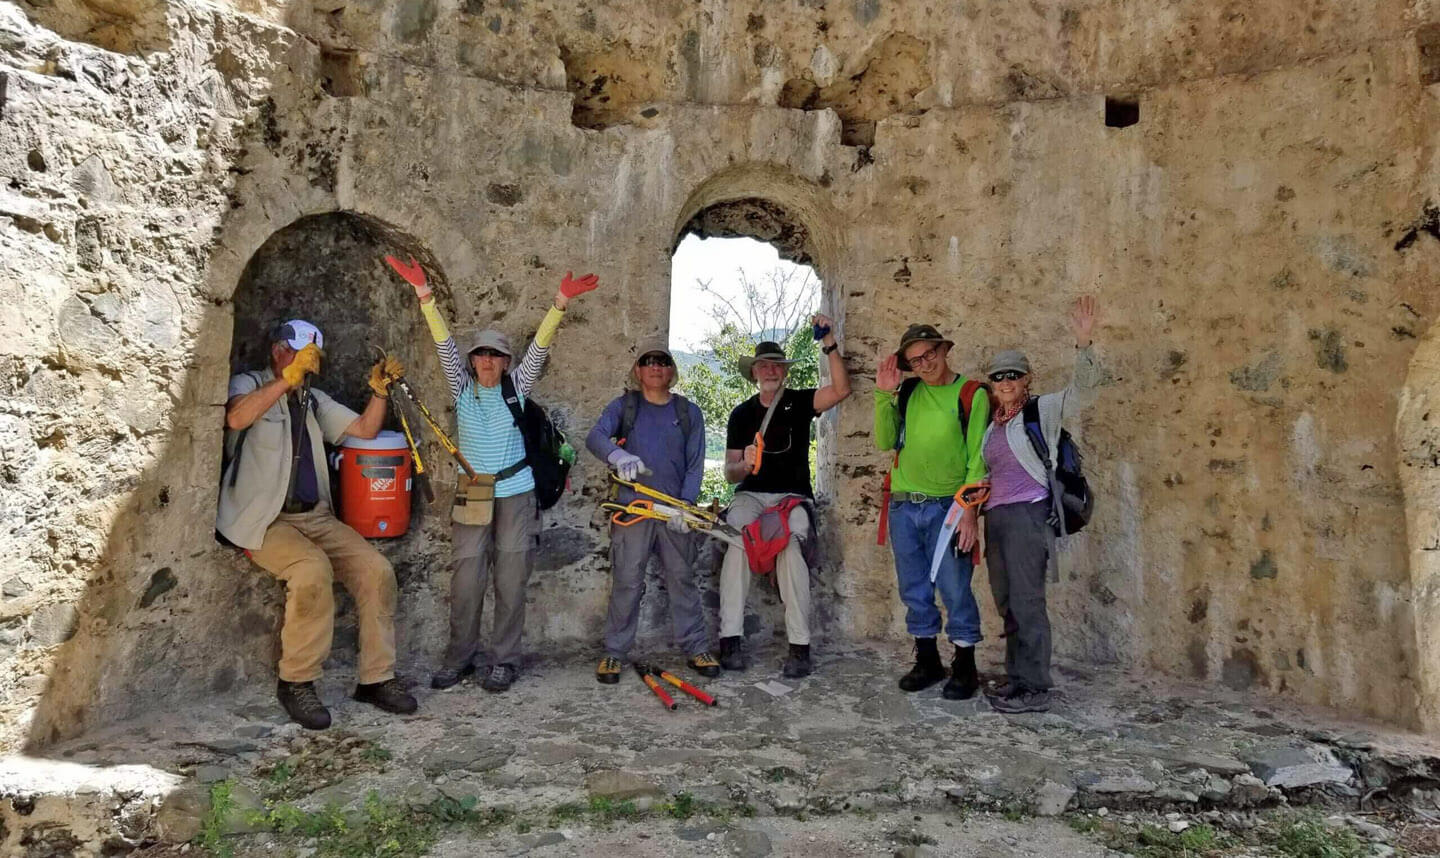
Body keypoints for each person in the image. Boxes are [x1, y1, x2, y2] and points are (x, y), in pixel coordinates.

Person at [218, 319, 417, 730]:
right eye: (295, 352)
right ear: (278, 350)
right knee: (311, 571)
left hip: (315, 515)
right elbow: (237, 419)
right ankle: (297, 681)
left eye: (310, 356)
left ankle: (376, 679)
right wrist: (284, 381)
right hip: (264, 518)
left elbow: (363, 429)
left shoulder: (313, 398)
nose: (304, 361)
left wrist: (378, 392)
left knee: (376, 570)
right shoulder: (248, 382)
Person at [407, 269, 599, 693]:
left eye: (495, 355)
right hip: (473, 490)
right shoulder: (462, 387)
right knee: (466, 578)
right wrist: (425, 296)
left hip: (515, 492)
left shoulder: (517, 387)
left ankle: (504, 660)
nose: (486, 362)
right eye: (480, 355)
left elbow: (541, 347)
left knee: (512, 578)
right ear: (472, 360)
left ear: (506, 362)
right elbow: (442, 344)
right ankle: (459, 658)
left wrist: (560, 303)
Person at [982, 296, 1101, 714]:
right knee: (1006, 600)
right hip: (995, 518)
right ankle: (1017, 678)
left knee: (1028, 600)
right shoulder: (992, 426)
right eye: (998, 376)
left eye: (1013, 375)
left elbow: (1083, 391)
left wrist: (1083, 344)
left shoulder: (1040, 410)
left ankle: (1035, 686)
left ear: (1027, 378)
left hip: (1028, 515)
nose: (1005, 381)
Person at [718, 316, 851, 677]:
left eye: (776, 365)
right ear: (754, 373)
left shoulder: (799, 402)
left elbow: (840, 390)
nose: (770, 370)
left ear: (784, 372)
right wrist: (743, 466)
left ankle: (799, 645)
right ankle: (729, 638)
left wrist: (830, 344)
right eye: (763, 365)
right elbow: (730, 473)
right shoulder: (742, 414)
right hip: (752, 495)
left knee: (791, 548)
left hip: (792, 496)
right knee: (737, 542)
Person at [585, 340, 718, 683]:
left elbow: (695, 464)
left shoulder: (688, 413)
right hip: (634, 511)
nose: (656, 367)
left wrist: (686, 507)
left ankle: (696, 647)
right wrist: (618, 456)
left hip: (673, 512)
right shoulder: (624, 407)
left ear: (672, 371)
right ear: (638, 370)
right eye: (648, 361)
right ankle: (614, 652)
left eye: (663, 361)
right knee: (627, 582)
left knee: (682, 579)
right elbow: (595, 437)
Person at [874, 324, 990, 700]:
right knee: (914, 587)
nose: (925, 364)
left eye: (929, 354)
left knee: (955, 587)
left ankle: (965, 663)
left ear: (943, 351)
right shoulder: (907, 392)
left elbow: (977, 458)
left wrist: (970, 511)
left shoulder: (971, 394)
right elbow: (885, 440)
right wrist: (882, 395)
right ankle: (927, 659)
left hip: (949, 507)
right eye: (915, 359)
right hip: (905, 503)